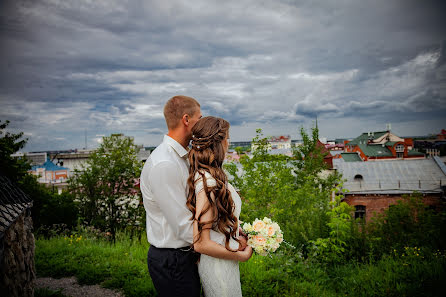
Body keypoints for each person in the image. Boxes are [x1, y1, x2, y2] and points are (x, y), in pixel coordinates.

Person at [140, 95, 203, 297]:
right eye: (199, 118)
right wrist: (227, 242)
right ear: (186, 119)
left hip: (185, 255)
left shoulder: (182, 157)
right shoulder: (165, 163)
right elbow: (183, 226)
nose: (202, 123)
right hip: (172, 259)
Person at [186, 116, 253, 297]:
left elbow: (219, 223)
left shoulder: (209, 176)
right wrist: (241, 255)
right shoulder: (208, 183)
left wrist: (242, 234)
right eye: (227, 138)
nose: (229, 143)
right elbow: (200, 243)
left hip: (224, 258)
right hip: (218, 265)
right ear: (219, 143)